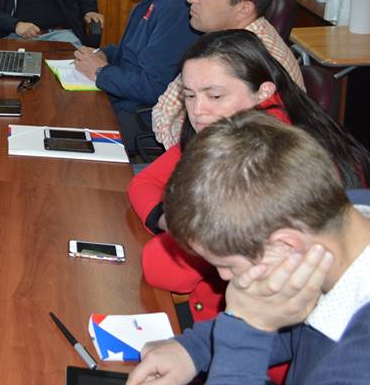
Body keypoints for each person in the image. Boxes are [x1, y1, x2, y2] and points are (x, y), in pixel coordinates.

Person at [127, 30, 369, 330]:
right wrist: (179, 221)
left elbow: (162, 267)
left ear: (263, 93)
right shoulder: (237, 126)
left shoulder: (262, 159)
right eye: (189, 95)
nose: (198, 111)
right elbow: (144, 182)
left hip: (261, 341)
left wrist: (189, 226)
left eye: (215, 95)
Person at [128, 113, 370, 385]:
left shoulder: (359, 365)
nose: (224, 277)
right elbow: (302, 325)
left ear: (285, 245)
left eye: (229, 265)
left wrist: (248, 328)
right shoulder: (334, 216)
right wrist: (193, 351)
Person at [151, 0, 304, 147]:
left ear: (243, 9)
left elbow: (172, 129)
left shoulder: (240, 58)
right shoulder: (225, 38)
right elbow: (164, 110)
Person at [73, 0, 200, 151]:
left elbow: (155, 88)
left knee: (71, 132)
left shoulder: (182, 3)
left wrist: (100, 72)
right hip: (128, 97)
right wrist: (100, 54)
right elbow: (131, 52)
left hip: (143, 118)